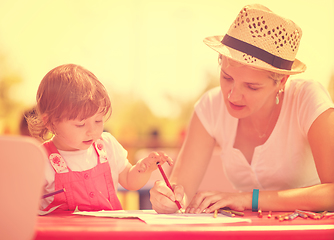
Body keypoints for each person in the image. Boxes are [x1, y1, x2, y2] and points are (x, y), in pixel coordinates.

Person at [150, 4, 334, 214]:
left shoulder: (307, 98)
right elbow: (180, 190)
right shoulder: (209, 106)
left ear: (281, 81)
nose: (232, 95)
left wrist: (248, 199)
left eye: (252, 86)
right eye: (227, 77)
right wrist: (167, 198)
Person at [27, 64, 172, 213]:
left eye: (98, 121)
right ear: (51, 123)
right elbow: (24, 205)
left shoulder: (107, 145)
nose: (92, 131)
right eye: (80, 124)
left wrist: (144, 168)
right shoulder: (40, 159)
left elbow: (129, 180)